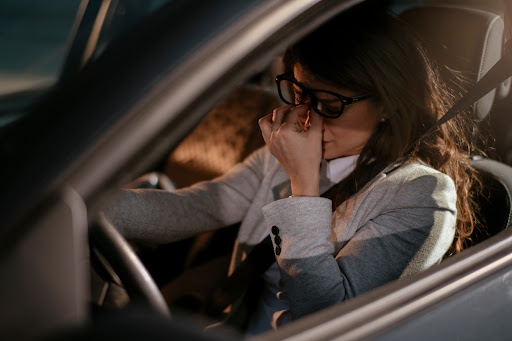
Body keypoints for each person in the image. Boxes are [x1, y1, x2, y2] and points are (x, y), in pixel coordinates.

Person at [102, 3, 479, 336]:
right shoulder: (284, 154)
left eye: (330, 104)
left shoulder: (420, 196)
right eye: (300, 96)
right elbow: (200, 206)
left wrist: (303, 182)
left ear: (386, 105)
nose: (308, 120)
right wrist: (86, 209)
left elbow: (326, 313)